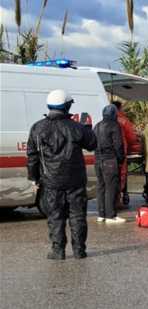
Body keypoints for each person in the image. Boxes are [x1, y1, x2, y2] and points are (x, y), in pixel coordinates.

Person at [27, 89, 97, 260]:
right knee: (78, 216)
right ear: (67, 106)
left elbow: (32, 156)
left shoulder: (37, 127)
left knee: (55, 216)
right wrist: (86, 128)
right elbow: (93, 143)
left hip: (51, 181)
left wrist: (33, 178)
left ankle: (58, 251)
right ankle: (79, 250)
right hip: (75, 181)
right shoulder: (77, 127)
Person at [93, 104, 126, 224]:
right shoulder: (114, 125)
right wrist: (121, 159)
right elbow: (118, 144)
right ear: (114, 114)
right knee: (111, 187)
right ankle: (111, 215)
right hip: (110, 160)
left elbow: (92, 143)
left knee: (101, 187)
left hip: (97, 160)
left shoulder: (97, 126)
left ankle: (101, 214)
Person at [112, 101, 140, 207]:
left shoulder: (104, 120)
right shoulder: (123, 121)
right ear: (119, 109)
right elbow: (132, 138)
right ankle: (117, 201)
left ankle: (110, 202)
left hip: (107, 154)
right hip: (120, 152)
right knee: (120, 176)